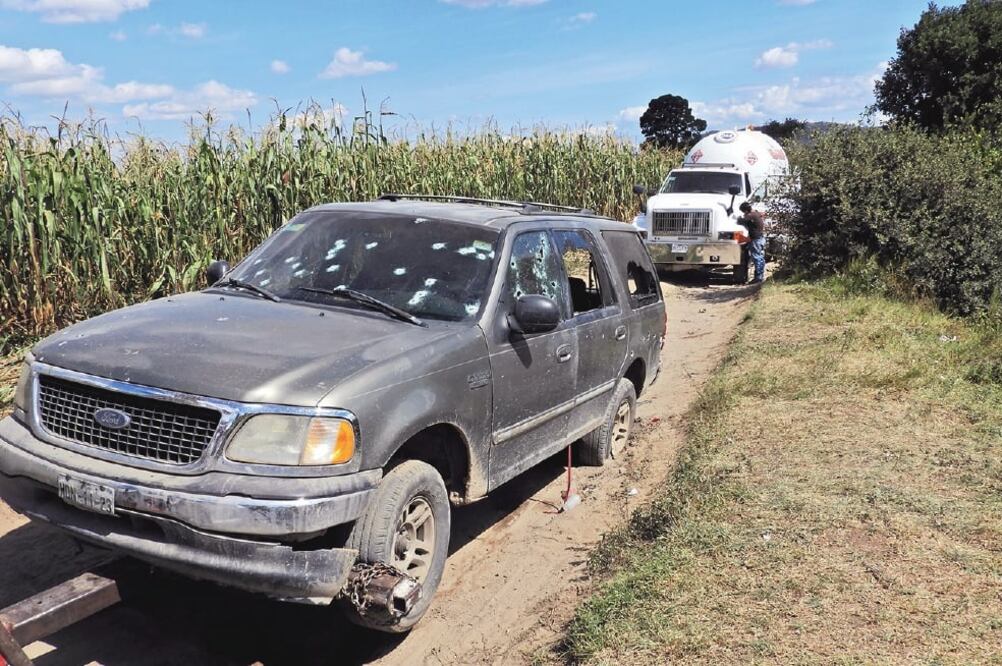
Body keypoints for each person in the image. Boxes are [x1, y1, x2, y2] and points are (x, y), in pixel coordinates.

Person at [737, 202, 766, 284]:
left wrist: (736, 217)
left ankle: (758, 278)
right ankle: (759, 276)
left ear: (745, 210)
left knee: (757, 257)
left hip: (756, 239)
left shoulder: (751, 215)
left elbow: (740, 221)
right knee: (759, 257)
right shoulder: (756, 214)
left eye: (743, 211)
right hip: (758, 238)